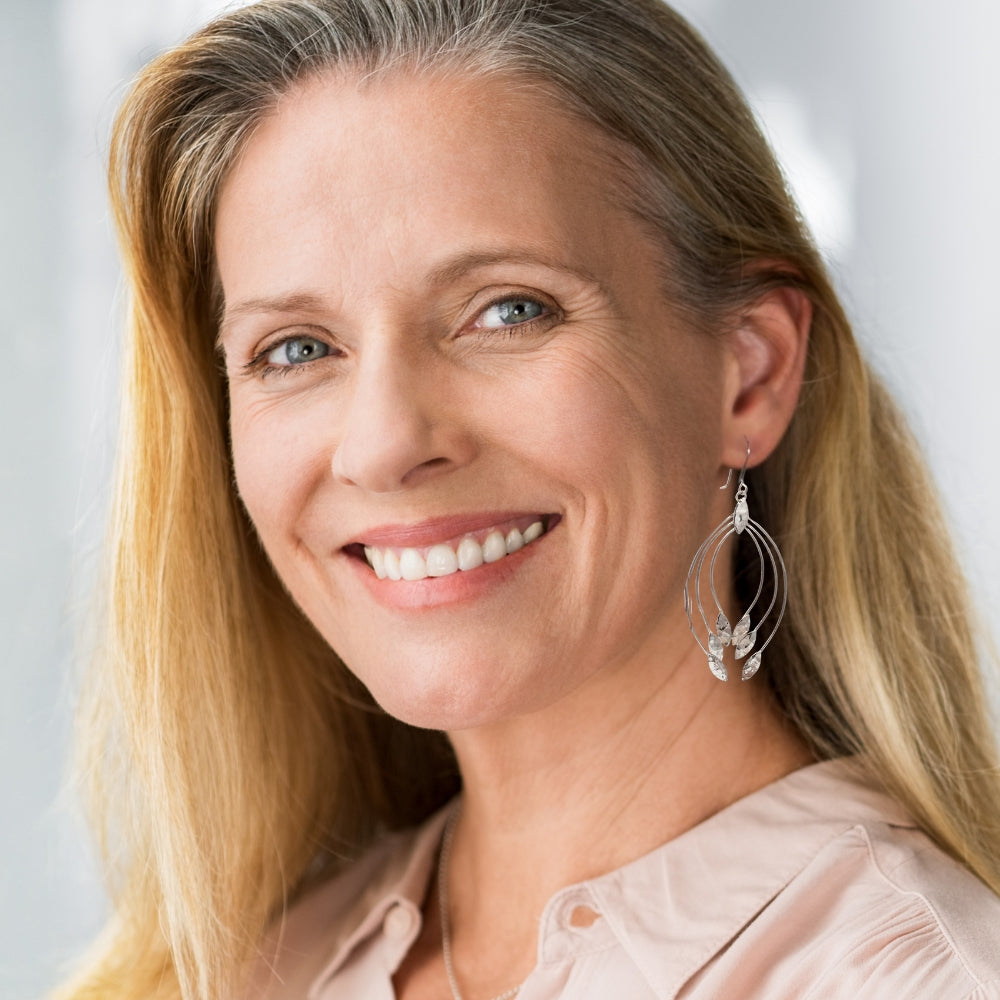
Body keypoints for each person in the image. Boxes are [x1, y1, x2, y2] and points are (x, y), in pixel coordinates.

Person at [56, 1, 1000, 999]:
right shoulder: (243, 975)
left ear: (748, 377)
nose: (383, 446)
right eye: (296, 348)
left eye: (508, 310)